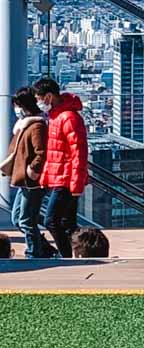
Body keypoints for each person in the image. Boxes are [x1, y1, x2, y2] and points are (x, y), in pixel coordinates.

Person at [33, 77, 89, 259]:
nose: (39, 103)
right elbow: (55, 152)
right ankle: (81, 253)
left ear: (48, 97)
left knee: (51, 221)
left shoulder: (68, 118)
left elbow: (78, 153)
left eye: (39, 98)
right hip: (61, 177)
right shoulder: (56, 116)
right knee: (67, 223)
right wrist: (45, 177)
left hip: (66, 179)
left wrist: (76, 184)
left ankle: (66, 256)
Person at [1, 88, 49, 258]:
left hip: (32, 181)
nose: (16, 110)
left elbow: (41, 152)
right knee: (18, 219)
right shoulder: (25, 124)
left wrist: (33, 170)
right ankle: (42, 247)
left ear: (24, 105)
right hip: (24, 180)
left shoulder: (36, 126)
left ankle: (34, 253)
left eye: (17, 106)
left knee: (26, 220)